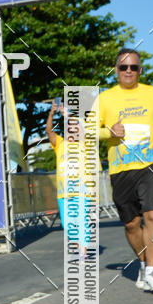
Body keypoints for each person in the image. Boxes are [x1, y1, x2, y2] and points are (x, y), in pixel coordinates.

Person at [98, 49, 153, 292]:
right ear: (116, 71)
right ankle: (143, 265)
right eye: (123, 67)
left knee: (152, 215)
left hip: (150, 163)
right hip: (121, 168)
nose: (128, 71)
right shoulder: (105, 98)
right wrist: (110, 132)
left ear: (140, 70)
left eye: (133, 67)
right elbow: (88, 130)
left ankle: (152, 271)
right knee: (131, 224)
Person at [46, 101, 92, 254]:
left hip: (81, 190)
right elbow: (48, 131)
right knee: (67, 225)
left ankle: (83, 251)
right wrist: (52, 113)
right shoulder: (60, 144)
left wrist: (67, 116)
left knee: (82, 221)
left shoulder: (84, 143)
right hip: (64, 192)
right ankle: (80, 247)